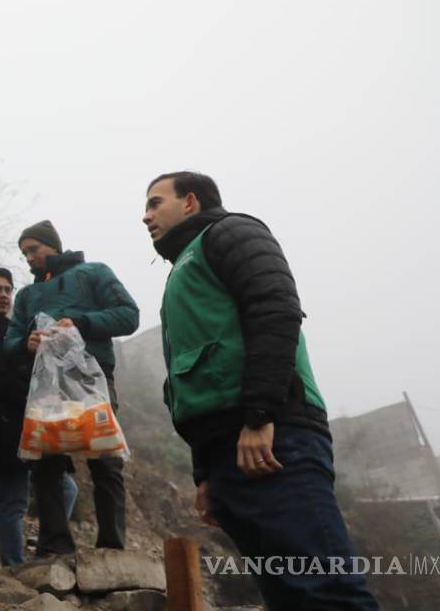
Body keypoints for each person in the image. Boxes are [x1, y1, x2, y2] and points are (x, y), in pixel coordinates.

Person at [143, 171, 379, 610]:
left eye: (155, 203)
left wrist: (260, 415)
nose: (146, 216)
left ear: (190, 202)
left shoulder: (233, 232)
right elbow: (191, 378)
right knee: (287, 595)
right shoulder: (184, 269)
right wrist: (206, 474)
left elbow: (276, 311)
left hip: (275, 440)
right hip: (230, 453)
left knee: (325, 590)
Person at [3, 220, 139, 555]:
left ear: (53, 245)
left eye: (33, 249)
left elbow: (128, 315)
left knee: (105, 457)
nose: (29, 258)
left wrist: (80, 323)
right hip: (47, 382)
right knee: (46, 459)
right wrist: (26, 342)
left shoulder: (92, 273)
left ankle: (111, 545)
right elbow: (10, 341)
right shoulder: (27, 295)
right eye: (24, 253)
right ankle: (55, 546)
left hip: (91, 375)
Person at [0, 267, 79, 566]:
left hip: (31, 423)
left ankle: (44, 550)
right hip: (0, 428)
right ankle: (14, 565)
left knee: (66, 487)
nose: (3, 295)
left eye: (8, 290)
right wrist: (24, 371)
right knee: (13, 500)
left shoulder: (16, 329)